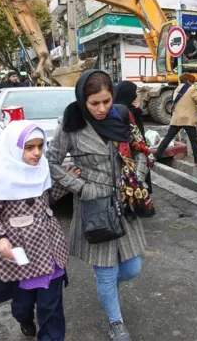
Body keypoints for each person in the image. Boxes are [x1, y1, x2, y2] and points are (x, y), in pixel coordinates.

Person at [46, 70, 155, 341]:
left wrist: (137, 177)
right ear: (83, 99)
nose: (102, 108)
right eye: (94, 103)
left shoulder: (121, 116)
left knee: (132, 268)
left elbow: (141, 149)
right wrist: (80, 186)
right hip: (94, 205)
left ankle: (107, 292)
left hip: (124, 201)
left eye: (106, 101)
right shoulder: (70, 123)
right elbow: (50, 162)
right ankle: (115, 322)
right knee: (106, 271)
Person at [0, 120, 80, 340]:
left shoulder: (41, 168)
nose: (36, 153)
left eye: (40, 146)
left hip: (50, 250)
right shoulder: (1, 178)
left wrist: (64, 183)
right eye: (29, 147)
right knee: (21, 306)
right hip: (22, 256)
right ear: (14, 148)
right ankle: (24, 319)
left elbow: (46, 200)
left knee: (51, 309)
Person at [154, 73, 197, 167]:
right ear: (189, 81)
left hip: (176, 119)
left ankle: (156, 156)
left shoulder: (176, 89)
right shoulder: (191, 89)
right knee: (193, 140)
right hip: (188, 120)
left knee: (168, 138)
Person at [113, 80, 152, 194]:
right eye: (133, 92)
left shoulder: (122, 107)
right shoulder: (123, 110)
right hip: (131, 151)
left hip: (137, 147)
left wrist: (138, 109)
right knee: (134, 179)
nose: (135, 95)